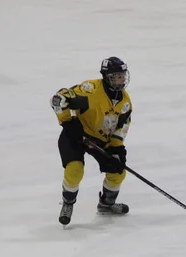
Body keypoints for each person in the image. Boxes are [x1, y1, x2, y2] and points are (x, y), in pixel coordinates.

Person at [50, 57, 133, 226]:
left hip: (100, 140)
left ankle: (106, 205)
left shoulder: (125, 102)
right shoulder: (91, 91)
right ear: (107, 76)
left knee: (118, 171)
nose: (121, 80)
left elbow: (122, 126)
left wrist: (116, 147)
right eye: (116, 76)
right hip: (76, 135)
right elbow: (59, 99)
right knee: (75, 170)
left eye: (122, 75)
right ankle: (68, 204)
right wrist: (67, 123)